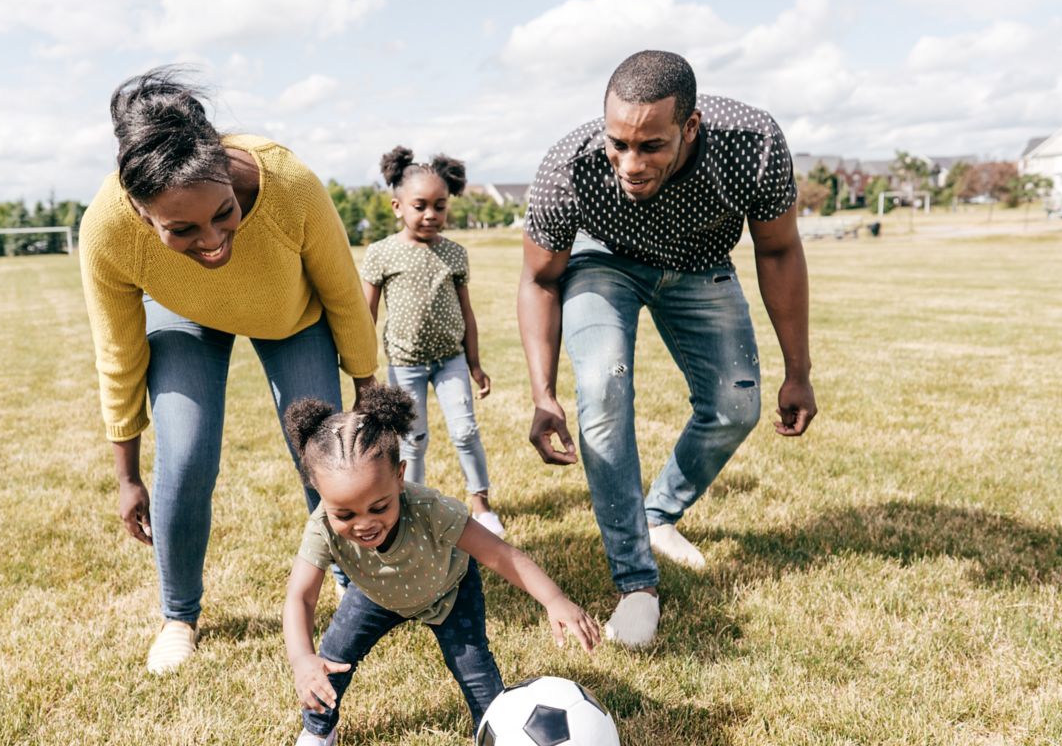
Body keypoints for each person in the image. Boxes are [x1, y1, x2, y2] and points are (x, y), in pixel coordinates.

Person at [79, 66, 378, 675]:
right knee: (185, 457)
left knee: (320, 454)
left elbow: (345, 293)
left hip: (290, 315)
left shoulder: (288, 182)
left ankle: (357, 588)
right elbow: (118, 354)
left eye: (223, 212)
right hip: (184, 315)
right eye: (181, 229)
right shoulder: (106, 229)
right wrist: (127, 474)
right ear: (139, 211)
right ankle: (178, 615)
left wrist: (368, 387)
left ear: (223, 163)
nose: (213, 240)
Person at [517, 50, 817, 648]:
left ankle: (658, 516)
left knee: (736, 407)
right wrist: (543, 392)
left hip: (700, 264)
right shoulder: (568, 168)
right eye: (617, 143)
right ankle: (636, 584)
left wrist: (798, 370)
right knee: (603, 387)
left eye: (650, 146)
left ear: (691, 127)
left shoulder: (751, 146)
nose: (630, 163)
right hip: (602, 263)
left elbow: (779, 250)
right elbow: (538, 278)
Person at [281, 384, 600, 746]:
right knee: (328, 665)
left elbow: (499, 554)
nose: (364, 524)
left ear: (400, 477)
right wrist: (302, 660)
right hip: (376, 595)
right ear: (319, 493)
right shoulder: (321, 529)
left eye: (378, 507)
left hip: (449, 591)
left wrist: (554, 599)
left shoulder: (431, 509)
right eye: (344, 514)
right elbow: (300, 598)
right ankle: (317, 731)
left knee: (477, 674)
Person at [360, 147, 504, 537]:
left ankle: (481, 505)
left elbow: (467, 313)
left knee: (465, 431)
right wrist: (363, 368)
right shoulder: (381, 254)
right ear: (397, 206)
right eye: (420, 206)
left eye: (439, 207)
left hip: (450, 360)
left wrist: (474, 363)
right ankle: (411, 505)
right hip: (405, 365)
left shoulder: (454, 253)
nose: (430, 215)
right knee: (413, 440)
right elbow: (366, 314)